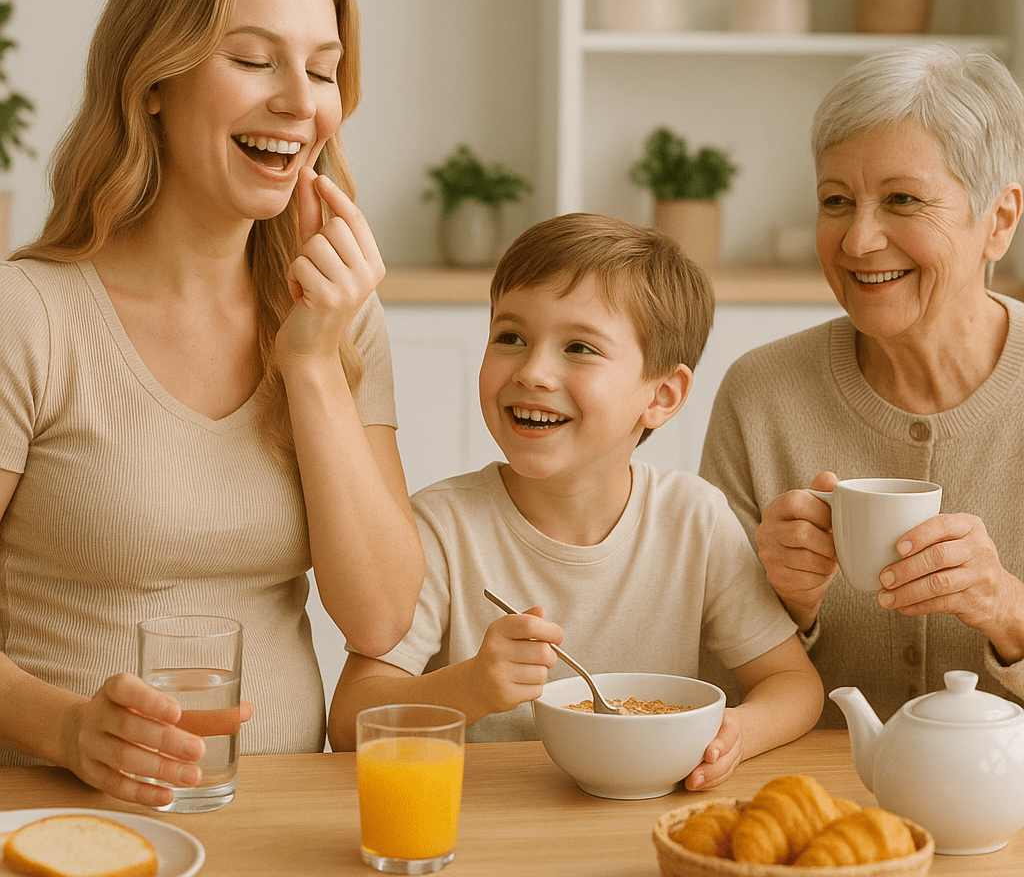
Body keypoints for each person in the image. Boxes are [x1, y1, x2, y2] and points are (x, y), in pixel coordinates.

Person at [0, 0, 424, 803]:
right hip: (65, 814)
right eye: (253, 59)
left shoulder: (339, 313)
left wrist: (311, 363)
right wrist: (70, 728)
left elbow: (381, 615)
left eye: (322, 70)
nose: (300, 103)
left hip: (282, 815)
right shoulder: (27, 314)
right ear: (153, 80)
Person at [329, 213, 822, 790]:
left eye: (579, 347)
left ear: (662, 396)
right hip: (479, 826)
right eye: (510, 337)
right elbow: (349, 721)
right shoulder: (441, 527)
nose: (533, 371)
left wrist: (737, 731)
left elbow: (793, 684)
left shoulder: (695, 521)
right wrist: (470, 688)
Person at [699, 44, 1024, 728]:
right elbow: (704, 692)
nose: (858, 240)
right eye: (836, 201)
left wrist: (1005, 608)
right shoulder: (759, 394)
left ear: (998, 221)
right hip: (812, 810)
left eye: (902, 199)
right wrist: (787, 605)